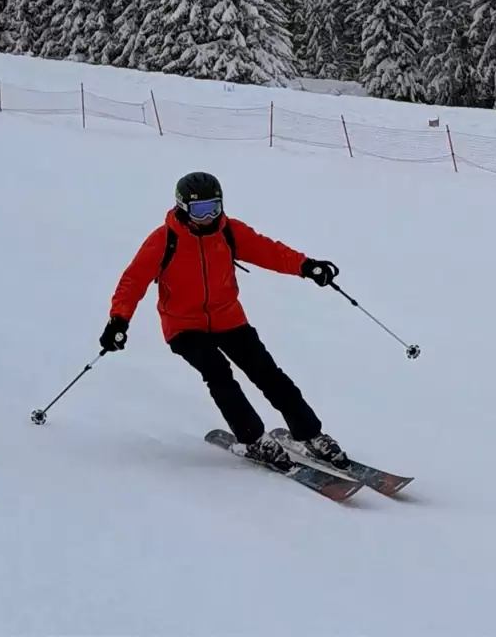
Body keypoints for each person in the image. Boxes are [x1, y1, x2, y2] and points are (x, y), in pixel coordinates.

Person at [99, 171, 350, 472]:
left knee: (267, 373)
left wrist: (306, 266)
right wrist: (118, 320)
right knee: (218, 373)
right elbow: (133, 280)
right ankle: (253, 438)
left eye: (213, 208)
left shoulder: (228, 231)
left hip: (228, 318)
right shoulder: (164, 241)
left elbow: (268, 250)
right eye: (200, 210)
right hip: (183, 327)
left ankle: (310, 435)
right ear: (182, 208)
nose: (208, 217)